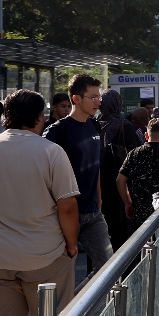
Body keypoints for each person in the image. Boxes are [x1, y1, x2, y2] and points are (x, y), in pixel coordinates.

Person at [0, 90, 79, 316]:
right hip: (45, 255)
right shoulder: (51, 152)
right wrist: (71, 244)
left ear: (6, 115)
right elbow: (67, 206)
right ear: (40, 117)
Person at [42, 75, 114, 273]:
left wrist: (98, 201)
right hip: (64, 214)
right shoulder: (57, 131)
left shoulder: (95, 125)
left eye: (99, 97)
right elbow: (44, 176)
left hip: (93, 212)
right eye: (93, 97)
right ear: (76, 98)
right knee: (62, 273)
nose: (98, 102)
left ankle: (94, 302)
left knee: (109, 269)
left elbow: (95, 166)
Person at [116, 118, 159, 229]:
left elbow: (120, 180)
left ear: (146, 135)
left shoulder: (134, 154)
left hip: (141, 215)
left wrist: (128, 203)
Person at [97, 90, 143, 249]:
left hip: (98, 183)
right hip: (120, 183)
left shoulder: (95, 123)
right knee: (120, 227)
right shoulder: (124, 125)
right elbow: (137, 154)